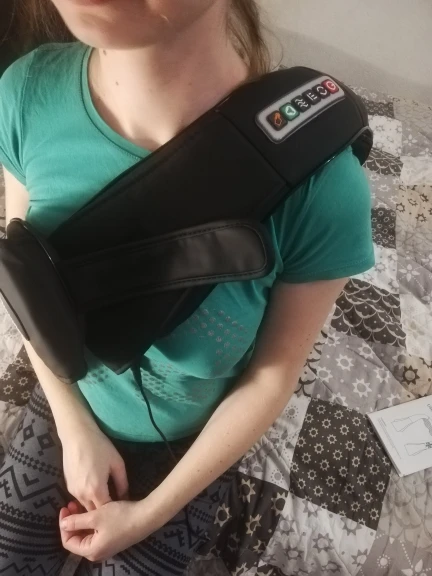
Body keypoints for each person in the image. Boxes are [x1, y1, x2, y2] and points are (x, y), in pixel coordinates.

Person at [0, 0, 375, 574]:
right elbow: (24, 284)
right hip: (65, 396)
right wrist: (74, 427)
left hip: (191, 445)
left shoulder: (322, 187)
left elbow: (271, 378)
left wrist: (148, 515)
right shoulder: (25, 94)